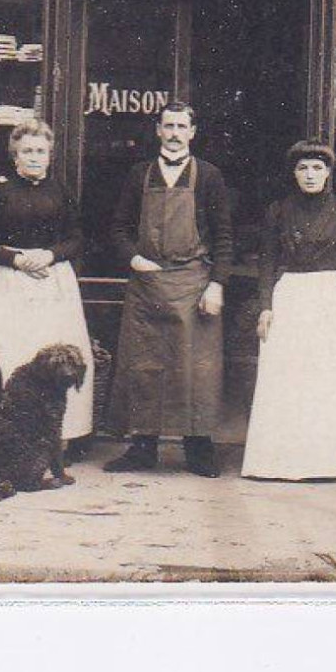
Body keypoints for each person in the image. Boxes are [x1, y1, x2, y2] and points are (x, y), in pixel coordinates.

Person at [105, 101, 233, 477]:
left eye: (182, 126)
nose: (175, 134)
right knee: (145, 365)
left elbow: (225, 236)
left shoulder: (209, 176)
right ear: (157, 130)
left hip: (194, 282)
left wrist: (217, 284)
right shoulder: (138, 174)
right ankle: (142, 447)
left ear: (193, 132)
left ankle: (199, 449)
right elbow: (118, 229)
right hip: (147, 283)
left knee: (197, 369)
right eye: (168, 126)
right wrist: (133, 258)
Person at [241, 140, 336, 481]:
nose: (310, 175)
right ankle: (282, 462)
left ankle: (332, 462)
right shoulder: (278, 211)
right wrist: (265, 306)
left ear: (329, 172)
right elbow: (267, 261)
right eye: (303, 168)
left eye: (317, 168)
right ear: (293, 173)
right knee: (289, 377)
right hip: (292, 294)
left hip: (330, 295)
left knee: (328, 380)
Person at [0, 118, 94, 446]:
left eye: (40, 151)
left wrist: (50, 255)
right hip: (10, 283)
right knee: (17, 356)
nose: (33, 157)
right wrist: (16, 259)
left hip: (52, 284)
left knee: (59, 358)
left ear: (49, 155)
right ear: (15, 155)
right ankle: (18, 437)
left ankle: (60, 439)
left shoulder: (60, 192)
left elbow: (77, 238)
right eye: (26, 150)